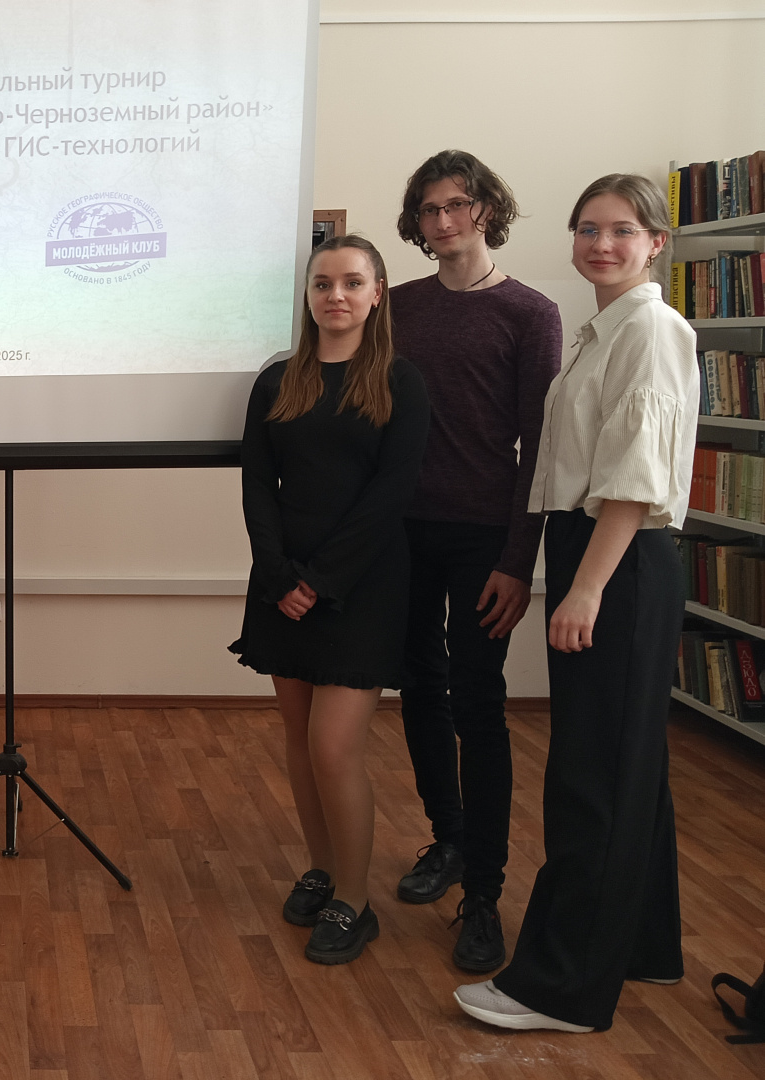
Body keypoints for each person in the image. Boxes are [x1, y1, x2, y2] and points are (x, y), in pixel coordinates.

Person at [457, 174, 697, 1033]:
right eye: (588, 228)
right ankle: (640, 946)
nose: (602, 244)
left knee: (591, 777)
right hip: (601, 552)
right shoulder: (607, 330)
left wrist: (587, 588)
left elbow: (633, 479)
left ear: (656, 242)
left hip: (616, 558)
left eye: (623, 230)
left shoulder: (650, 330)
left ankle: (560, 989)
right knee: (631, 767)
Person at [231, 235, 430, 965]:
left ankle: (354, 901)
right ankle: (321, 870)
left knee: (333, 747)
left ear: (377, 293)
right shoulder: (276, 382)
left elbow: (391, 495)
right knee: (299, 742)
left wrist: (320, 581)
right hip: (280, 585)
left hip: (361, 586)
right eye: (322, 283)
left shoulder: (401, 382)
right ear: (309, 296)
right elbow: (258, 486)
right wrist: (279, 576)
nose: (335, 295)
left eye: (351, 282)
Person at [389, 151, 563, 973]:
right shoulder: (398, 306)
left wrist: (517, 560)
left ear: (488, 209)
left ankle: (485, 895)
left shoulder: (531, 313)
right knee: (418, 688)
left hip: (483, 538)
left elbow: (540, 446)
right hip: (403, 534)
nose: (444, 221)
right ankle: (448, 840)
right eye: (430, 210)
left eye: (458, 205)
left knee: (478, 703)